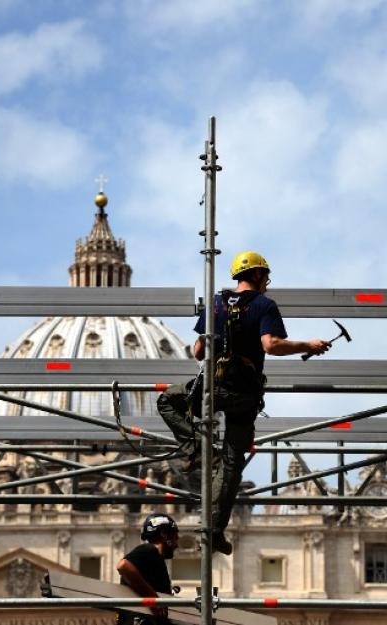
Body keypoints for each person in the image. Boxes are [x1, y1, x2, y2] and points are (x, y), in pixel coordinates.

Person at [157, 251, 330, 556]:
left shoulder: (215, 302)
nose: (268, 284)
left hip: (211, 387)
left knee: (168, 401)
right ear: (259, 275)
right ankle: (214, 532)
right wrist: (309, 346)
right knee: (232, 465)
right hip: (243, 395)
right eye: (267, 278)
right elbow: (271, 345)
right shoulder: (265, 305)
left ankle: (196, 449)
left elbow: (198, 351)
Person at [115, 512, 179, 625]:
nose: (176, 544)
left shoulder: (155, 559)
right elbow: (123, 566)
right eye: (175, 537)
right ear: (164, 534)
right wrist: (153, 598)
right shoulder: (149, 550)